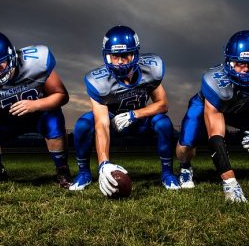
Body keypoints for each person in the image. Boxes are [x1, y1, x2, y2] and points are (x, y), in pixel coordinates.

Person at [175, 30, 249, 202]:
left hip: (242, 108)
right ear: (229, 62)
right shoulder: (214, 83)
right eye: (239, 63)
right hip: (211, 105)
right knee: (186, 144)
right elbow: (216, 137)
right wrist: (230, 181)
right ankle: (185, 168)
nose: (245, 70)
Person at [0, 30, 71, 197]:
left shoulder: (37, 62)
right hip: (6, 120)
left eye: (0, 65)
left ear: (12, 57)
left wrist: (36, 104)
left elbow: (62, 96)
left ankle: (62, 170)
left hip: (39, 114)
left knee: (53, 121)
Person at [70, 25, 179, 196]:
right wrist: (104, 163)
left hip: (140, 119)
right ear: (107, 56)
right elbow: (101, 123)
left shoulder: (150, 69)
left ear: (134, 54)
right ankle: (84, 173)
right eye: (115, 56)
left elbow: (163, 104)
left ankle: (167, 173)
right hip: (112, 120)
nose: (120, 62)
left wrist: (134, 114)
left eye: (124, 56)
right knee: (83, 124)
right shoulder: (98, 81)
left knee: (164, 123)